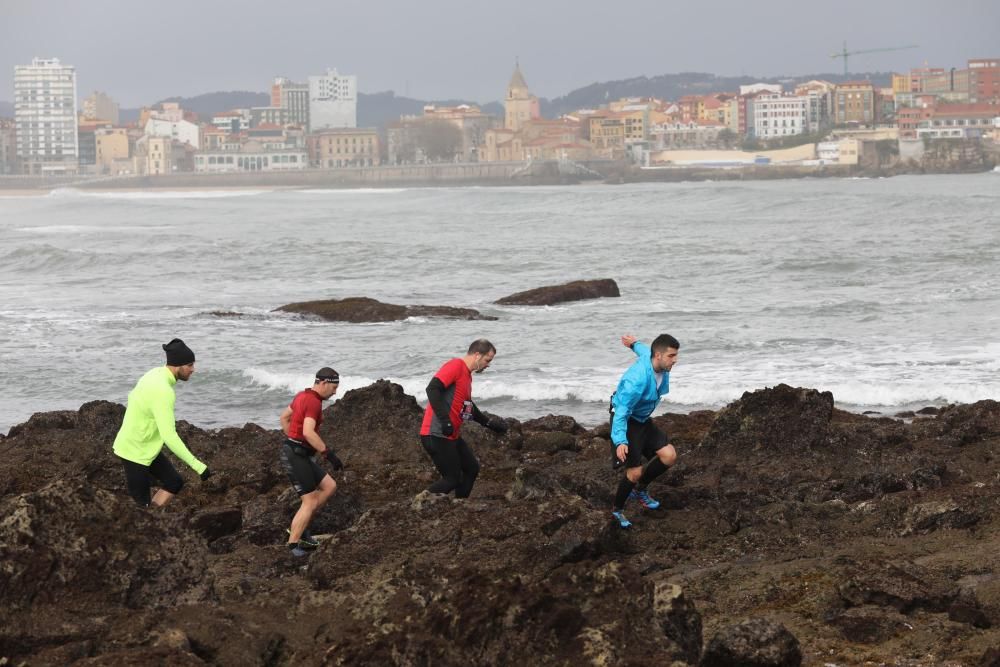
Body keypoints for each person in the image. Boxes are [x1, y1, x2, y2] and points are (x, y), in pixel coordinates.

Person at [113, 338, 211, 507]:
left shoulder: (154, 374)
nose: (193, 370)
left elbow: (134, 398)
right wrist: (199, 467)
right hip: (133, 452)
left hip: (146, 446)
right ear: (177, 365)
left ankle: (154, 514)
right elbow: (169, 436)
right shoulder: (163, 391)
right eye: (189, 365)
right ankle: (149, 519)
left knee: (174, 482)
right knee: (141, 509)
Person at [420, 339, 508, 499]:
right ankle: (419, 503)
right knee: (452, 479)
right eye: (488, 360)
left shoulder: (467, 376)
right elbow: (432, 388)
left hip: (451, 435)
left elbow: (468, 406)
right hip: (436, 433)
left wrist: (489, 423)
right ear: (477, 355)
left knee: (471, 468)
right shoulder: (455, 365)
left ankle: (459, 505)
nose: (488, 364)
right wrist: (445, 420)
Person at [608, 333, 680, 528]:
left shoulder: (656, 360)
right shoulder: (636, 380)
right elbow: (621, 412)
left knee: (669, 455)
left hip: (641, 420)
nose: (675, 360)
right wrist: (621, 440)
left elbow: (643, 351)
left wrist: (633, 344)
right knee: (635, 471)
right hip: (626, 420)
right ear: (658, 355)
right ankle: (617, 510)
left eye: (675, 355)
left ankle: (640, 490)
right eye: (671, 356)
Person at [280, 367, 344, 557]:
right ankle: (293, 545)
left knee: (329, 486)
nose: (335, 391)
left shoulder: (302, 396)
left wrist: (292, 437)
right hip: (295, 455)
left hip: (297, 451)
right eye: (334, 387)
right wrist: (328, 453)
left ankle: (302, 528)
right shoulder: (313, 402)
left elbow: (284, 417)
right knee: (309, 501)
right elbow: (309, 431)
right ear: (323, 383)